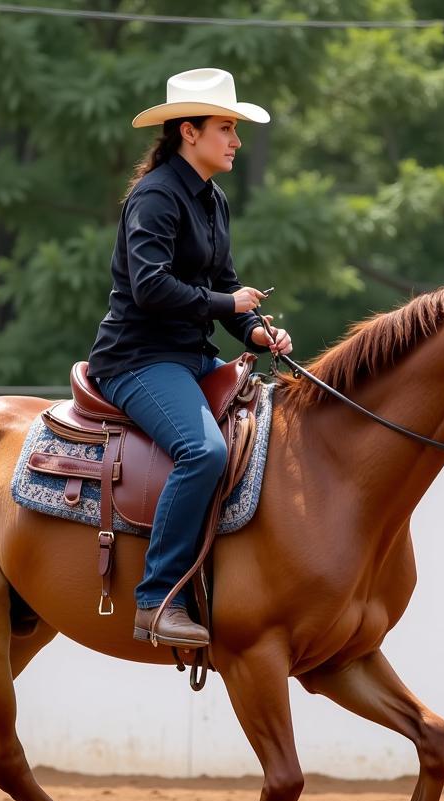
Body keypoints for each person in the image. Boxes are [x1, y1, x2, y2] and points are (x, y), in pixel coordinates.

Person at [87, 67, 293, 649]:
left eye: (234, 128)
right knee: (202, 451)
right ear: (188, 132)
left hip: (188, 357)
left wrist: (254, 331)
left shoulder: (212, 200)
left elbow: (224, 290)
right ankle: (156, 600)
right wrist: (230, 302)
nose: (235, 140)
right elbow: (151, 288)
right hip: (137, 360)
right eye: (225, 127)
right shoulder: (153, 198)